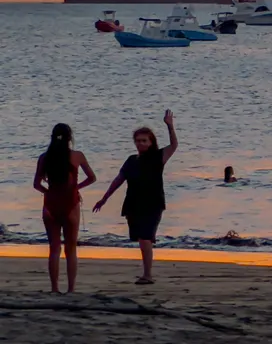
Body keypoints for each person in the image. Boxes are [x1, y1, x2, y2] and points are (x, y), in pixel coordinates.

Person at [94, 110, 179, 285]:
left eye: (144, 141)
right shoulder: (131, 160)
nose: (140, 143)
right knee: (141, 238)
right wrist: (104, 198)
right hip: (133, 203)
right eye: (138, 141)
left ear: (151, 142)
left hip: (153, 203)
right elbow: (119, 180)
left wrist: (170, 126)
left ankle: (148, 275)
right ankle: (146, 273)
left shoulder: (158, 157)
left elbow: (174, 145)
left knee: (145, 238)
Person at [33, 123, 96, 294]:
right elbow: (92, 178)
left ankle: (54, 289)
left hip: (51, 203)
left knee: (54, 248)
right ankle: (71, 289)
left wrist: (49, 192)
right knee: (71, 248)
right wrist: (76, 188)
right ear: (69, 138)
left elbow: (36, 184)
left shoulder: (44, 157)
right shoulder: (77, 156)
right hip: (70, 202)